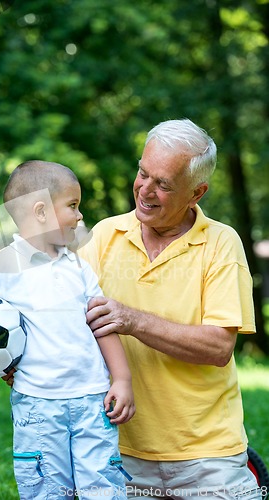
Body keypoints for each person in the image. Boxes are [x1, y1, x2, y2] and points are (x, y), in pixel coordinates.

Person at [79, 119, 261, 499]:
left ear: (198, 192)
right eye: (143, 173)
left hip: (208, 455)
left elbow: (218, 347)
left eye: (163, 184)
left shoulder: (222, 245)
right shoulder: (102, 237)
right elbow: (66, 322)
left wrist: (132, 320)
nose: (145, 190)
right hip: (117, 448)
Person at [0, 161, 135, 500]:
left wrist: (121, 379)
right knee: (46, 491)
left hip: (92, 402)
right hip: (37, 406)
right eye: (72, 206)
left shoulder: (79, 268)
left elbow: (102, 325)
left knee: (104, 490)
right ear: (41, 212)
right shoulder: (0, 266)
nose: (80, 216)